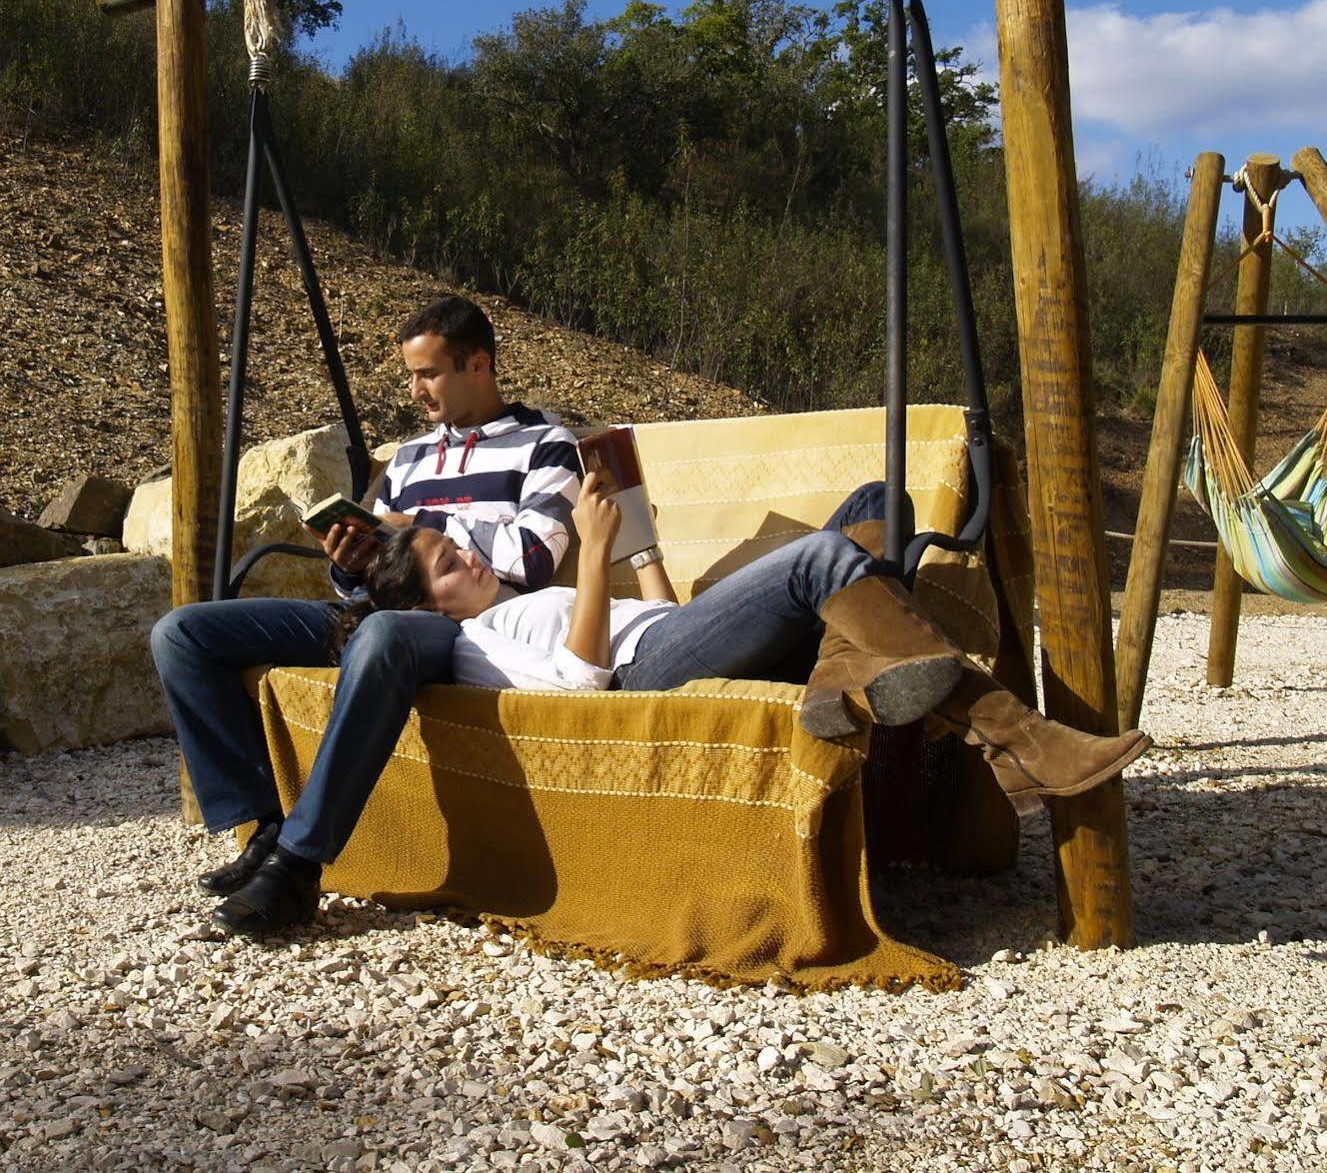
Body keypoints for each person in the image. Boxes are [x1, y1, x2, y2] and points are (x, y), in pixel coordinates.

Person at [149, 296, 581, 936]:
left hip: (458, 621)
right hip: (372, 608)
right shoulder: (408, 458)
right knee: (182, 632)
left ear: (479, 364)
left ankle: (297, 866)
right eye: (412, 375)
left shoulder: (546, 444)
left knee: (379, 633)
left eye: (428, 373)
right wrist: (350, 559)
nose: (416, 391)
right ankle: (265, 821)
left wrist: (419, 525)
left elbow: (534, 558)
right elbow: (372, 565)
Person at [353, 470, 1152, 810]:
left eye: (451, 545)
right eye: (444, 568)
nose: (463, 557)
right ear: (433, 607)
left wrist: (640, 552)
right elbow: (577, 686)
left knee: (878, 500)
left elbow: (653, 616)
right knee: (819, 560)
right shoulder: (473, 641)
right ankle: (1014, 732)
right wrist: (590, 552)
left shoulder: (518, 598)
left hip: (672, 634)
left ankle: (840, 672)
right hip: (644, 677)